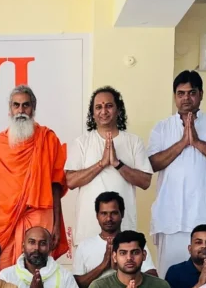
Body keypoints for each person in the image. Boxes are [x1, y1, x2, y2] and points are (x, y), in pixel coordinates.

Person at [149, 70, 206, 278]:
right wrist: (182, 143)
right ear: (175, 96)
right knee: (169, 277)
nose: (186, 98)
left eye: (191, 93)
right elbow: (152, 163)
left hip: (204, 213)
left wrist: (197, 142)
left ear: (201, 94)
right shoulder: (162, 128)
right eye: (181, 94)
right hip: (171, 216)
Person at [0, 85, 68, 272]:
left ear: (33, 108)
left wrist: (56, 223)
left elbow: (56, 183)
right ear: (10, 109)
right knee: (7, 269)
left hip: (39, 212)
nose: (21, 110)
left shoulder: (47, 139)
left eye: (26, 105)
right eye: (16, 105)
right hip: (5, 220)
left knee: (39, 264)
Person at [65, 86, 152, 242]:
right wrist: (101, 164)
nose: (103, 111)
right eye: (98, 107)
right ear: (93, 113)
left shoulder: (134, 141)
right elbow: (70, 181)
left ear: (118, 110)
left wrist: (118, 164)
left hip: (124, 232)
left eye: (109, 106)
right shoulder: (81, 143)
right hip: (89, 229)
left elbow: (145, 181)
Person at [73, 191, 157, 288]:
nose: (109, 218)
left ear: (122, 214)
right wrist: (103, 265)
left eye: (114, 213)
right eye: (104, 213)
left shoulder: (134, 242)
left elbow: (154, 279)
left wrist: (120, 268)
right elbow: (76, 286)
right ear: (97, 216)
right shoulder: (84, 246)